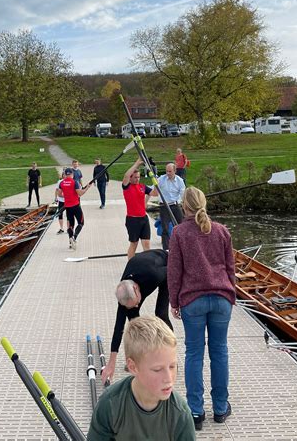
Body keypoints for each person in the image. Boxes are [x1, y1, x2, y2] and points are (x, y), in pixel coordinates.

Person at [168, 186, 235, 431]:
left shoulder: (179, 233)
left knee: (194, 354)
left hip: (192, 300)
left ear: (184, 206)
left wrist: (174, 301)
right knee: (220, 352)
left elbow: (174, 271)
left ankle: (195, 412)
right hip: (221, 299)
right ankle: (220, 408)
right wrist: (231, 294)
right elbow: (230, 268)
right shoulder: (221, 231)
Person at [88, 316, 195, 441]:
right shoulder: (110, 404)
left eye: (172, 366)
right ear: (133, 367)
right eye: (157, 369)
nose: (168, 378)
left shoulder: (180, 415)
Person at [101, 249, 172, 385]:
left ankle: (169, 356)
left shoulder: (154, 275)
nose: (136, 306)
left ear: (136, 289)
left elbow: (174, 268)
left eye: (136, 303)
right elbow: (118, 327)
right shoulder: (124, 291)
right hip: (141, 270)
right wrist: (111, 363)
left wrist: (178, 298)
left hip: (165, 266)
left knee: (161, 314)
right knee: (134, 322)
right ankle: (141, 359)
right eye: (132, 305)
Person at [122, 159, 157, 260]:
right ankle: (131, 265)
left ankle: (148, 266)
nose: (137, 179)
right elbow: (126, 176)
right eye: (135, 177)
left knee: (147, 244)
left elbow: (155, 193)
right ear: (131, 178)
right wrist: (137, 163)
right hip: (132, 220)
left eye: (138, 177)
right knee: (134, 244)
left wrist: (155, 181)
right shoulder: (126, 187)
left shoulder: (142, 186)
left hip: (143, 219)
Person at [56, 167, 91, 250]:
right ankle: (74, 237)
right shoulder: (75, 182)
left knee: (70, 225)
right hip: (76, 206)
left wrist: (67, 195)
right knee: (81, 223)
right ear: (72, 174)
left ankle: (70, 241)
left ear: (65, 174)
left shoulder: (62, 183)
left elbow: (59, 194)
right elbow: (80, 193)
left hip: (68, 207)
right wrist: (87, 188)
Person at [157, 163, 185, 251]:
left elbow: (183, 194)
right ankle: (166, 250)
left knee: (181, 226)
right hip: (164, 206)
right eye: (166, 171)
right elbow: (153, 190)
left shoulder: (180, 180)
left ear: (175, 171)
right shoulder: (161, 179)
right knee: (165, 228)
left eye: (170, 171)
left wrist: (184, 206)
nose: (168, 173)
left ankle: (182, 247)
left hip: (175, 205)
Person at [55, 169, 66, 234]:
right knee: (60, 214)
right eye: (63, 174)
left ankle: (69, 228)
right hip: (61, 201)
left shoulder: (70, 181)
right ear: (62, 175)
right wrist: (56, 198)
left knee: (69, 215)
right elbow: (56, 190)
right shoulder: (59, 182)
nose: (64, 176)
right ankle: (61, 228)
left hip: (68, 201)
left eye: (65, 174)